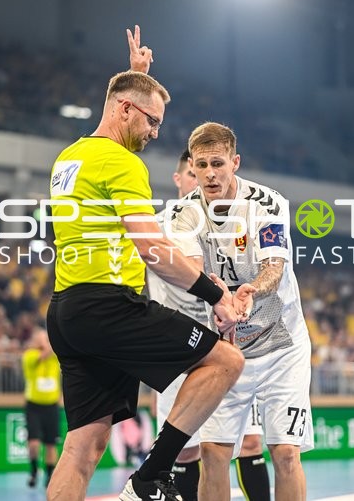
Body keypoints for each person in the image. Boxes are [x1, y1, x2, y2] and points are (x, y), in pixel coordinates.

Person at [44, 26, 253, 501]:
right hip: (108, 306)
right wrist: (215, 293)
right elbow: (150, 247)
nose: (156, 133)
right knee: (224, 361)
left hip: (67, 311)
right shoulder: (122, 164)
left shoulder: (69, 158)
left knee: (84, 444)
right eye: (152, 121)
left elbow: (120, 106)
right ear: (124, 110)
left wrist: (136, 78)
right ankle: (151, 476)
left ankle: (150, 476)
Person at [171, 123, 314, 501]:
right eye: (201, 165)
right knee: (212, 453)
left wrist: (251, 291)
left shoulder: (268, 203)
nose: (210, 173)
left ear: (235, 162)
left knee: (284, 452)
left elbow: (274, 265)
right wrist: (218, 293)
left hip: (282, 345)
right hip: (229, 351)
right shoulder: (183, 213)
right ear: (192, 167)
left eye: (218, 163)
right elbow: (192, 266)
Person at [149, 150, 271, 501]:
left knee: (248, 441)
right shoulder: (156, 226)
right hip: (174, 351)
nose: (201, 180)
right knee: (184, 450)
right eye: (193, 173)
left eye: (209, 171)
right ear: (179, 179)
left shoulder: (224, 227)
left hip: (224, 348)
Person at [22, 328, 62, 488]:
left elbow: (58, 351)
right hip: (34, 406)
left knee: (51, 444)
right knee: (33, 443)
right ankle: (33, 470)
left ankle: (49, 475)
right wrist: (46, 344)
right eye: (39, 339)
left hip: (51, 406)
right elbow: (43, 354)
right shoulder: (29, 355)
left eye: (45, 338)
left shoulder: (54, 357)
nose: (43, 341)